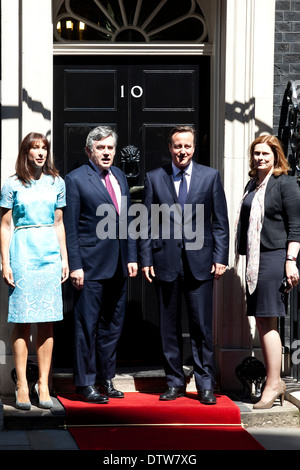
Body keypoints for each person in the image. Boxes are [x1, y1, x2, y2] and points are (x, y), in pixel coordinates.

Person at [139, 126, 229, 404]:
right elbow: (146, 223)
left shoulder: (210, 177)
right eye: (178, 146)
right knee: (169, 327)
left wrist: (220, 257)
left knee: (202, 327)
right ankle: (175, 381)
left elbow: (220, 222)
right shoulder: (155, 178)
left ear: (193, 148)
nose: (183, 151)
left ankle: (204, 384)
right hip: (165, 262)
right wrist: (145, 258)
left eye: (187, 146)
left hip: (200, 263)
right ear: (170, 148)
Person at [64, 126, 138, 404]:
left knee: (113, 324)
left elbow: (128, 220)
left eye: (110, 148)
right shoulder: (75, 180)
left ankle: (106, 379)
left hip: (118, 264)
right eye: (101, 148)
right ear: (89, 151)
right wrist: (75, 265)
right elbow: (70, 226)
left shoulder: (119, 176)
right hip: (89, 266)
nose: (106, 153)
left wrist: (131, 256)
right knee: (86, 326)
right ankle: (85, 383)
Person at [0, 132, 69, 410]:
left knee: (48, 319)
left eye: (44, 148)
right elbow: (5, 225)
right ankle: (21, 385)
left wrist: (65, 259)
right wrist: (5, 262)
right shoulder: (12, 184)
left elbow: (59, 224)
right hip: (23, 252)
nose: (40, 153)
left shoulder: (57, 182)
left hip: (49, 254)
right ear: (25, 152)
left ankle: (43, 383)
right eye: (35, 148)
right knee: (23, 318)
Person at [235, 134, 300, 409]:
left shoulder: (285, 183)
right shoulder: (254, 184)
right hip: (256, 258)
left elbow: (296, 225)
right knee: (263, 322)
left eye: (266, 154)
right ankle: (275, 382)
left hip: (274, 257)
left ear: (276, 156)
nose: (260, 158)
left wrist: (291, 260)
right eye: (257, 153)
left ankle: (274, 383)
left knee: (266, 319)